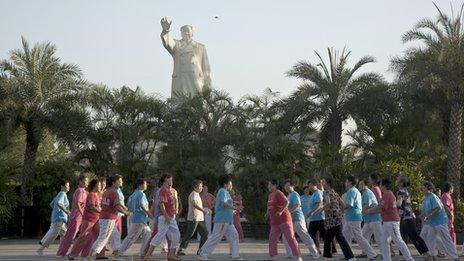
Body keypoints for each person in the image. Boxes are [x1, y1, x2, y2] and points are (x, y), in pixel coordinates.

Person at [367, 177, 414, 261]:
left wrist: (369, 211)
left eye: (381, 184)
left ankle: (409, 259)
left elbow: (380, 206)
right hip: (387, 222)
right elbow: (382, 208)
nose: (380, 186)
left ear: (384, 186)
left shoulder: (388, 194)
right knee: (383, 241)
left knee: (398, 240)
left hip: (392, 222)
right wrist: (371, 211)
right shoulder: (387, 194)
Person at [198, 175, 242, 260]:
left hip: (228, 220)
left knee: (234, 235)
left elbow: (228, 203)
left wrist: (235, 206)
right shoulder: (222, 191)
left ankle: (235, 255)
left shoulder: (226, 192)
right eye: (230, 183)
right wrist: (235, 208)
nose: (231, 185)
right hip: (222, 219)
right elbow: (223, 204)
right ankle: (203, 253)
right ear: (226, 184)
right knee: (216, 237)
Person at [89, 175, 132, 258]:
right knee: (103, 238)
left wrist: (124, 208)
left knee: (115, 236)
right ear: (113, 183)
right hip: (108, 218)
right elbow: (116, 206)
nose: (121, 182)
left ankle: (117, 255)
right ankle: (89, 257)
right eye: (119, 181)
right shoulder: (114, 192)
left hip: (105, 217)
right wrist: (126, 213)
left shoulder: (106, 191)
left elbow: (115, 204)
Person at [145, 174, 181, 261]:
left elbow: (173, 202)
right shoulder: (163, 190)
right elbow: (161, 204)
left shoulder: (169, 190)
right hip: (165, 217)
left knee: (174, 235)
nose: (172, 181)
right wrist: (166, 216)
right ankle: (148, 255)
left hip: (169, 216)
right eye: (170, 179)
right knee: (161, 235)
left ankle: (171, 255)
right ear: (165, 180)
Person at [420, 181, 459, 260]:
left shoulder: (433, 196)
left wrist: (430, 215)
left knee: (446, 238)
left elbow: (439, 208)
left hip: (440, 222)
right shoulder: (425, 198)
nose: (422, 189)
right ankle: (432, 256)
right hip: (431, 223)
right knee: (430, 239)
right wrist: (420, 216)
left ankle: (455, 257)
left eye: (424, 188)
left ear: (429, 189)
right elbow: (424, 212)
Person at [264, 179, 302, 261]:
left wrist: (281, 211)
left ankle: (298, 256)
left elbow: (286, 202)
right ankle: (273, 257)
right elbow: (269, 206)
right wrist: (267, 213)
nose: (268, 186)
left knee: (290, 238)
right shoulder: (270, 195)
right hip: (275, 222)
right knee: (272, 239)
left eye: (270, 185)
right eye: (268, 185)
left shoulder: (278, 193)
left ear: (275, 186)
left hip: (284, 220)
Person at [341, 176, 378, 260]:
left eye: (346, 181)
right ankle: (349, 255)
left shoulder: (351, 191)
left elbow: (349, 204)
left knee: (359, 237)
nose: (345, 183)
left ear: (350, 182)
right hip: (351, 217)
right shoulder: (354, 191)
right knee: (346, 236)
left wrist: (340, 207)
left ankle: (372, 254)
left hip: (353, 218)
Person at [67, 179, 104, 259]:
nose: (100, 187)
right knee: (84, 236)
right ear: (94, 186)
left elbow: (98, 206)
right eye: (99, 185)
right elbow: (91, 207)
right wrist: (102, 211)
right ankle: (72, 254)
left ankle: (96, 254)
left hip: (96, 219)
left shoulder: (97, 195)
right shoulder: (91, 195)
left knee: (100, 236)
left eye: (101, 185)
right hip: (89, 219)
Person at [282, 180, 320, 259]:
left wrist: (289, 212)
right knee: (285, 236)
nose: (285, 187)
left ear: (291, 186)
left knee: (304, 236)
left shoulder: (295, 194)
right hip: (291, 220)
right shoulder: (289, 195)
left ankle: (315, 253)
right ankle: (290, 253)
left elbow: (297, 205)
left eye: (287, 185)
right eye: (285, 186)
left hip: (298, 219)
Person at [395, 175, 431, 258]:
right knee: (406, 236)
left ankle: (426, 252)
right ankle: (406, 254)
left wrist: (390, 204)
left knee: (413, 236)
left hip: (406, 217)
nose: (396, 180)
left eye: (397, 179)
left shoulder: (401, 192)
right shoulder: (405, 191)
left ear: (401, 182)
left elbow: (399, 204)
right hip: (407, 217)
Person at [320, 177, 354, 260]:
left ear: (327, 183)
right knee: (328, 237)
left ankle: (350, 257)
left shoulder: (326, 192)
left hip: (332, 219)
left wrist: (321, 208)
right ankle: (327, 256)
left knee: (339, 237)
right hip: (336, 217)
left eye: (323, 182)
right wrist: (339, 212)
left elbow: (327, 203)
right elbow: (343, 204)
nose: (322, 184)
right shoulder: (334, 192)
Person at [118, 178, 153, 258]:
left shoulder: (133, 195)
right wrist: (150, 215)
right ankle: (120, 252)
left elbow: (128, 206)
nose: (146, 185)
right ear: (140, 185)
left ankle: (143, 253)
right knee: (132, 237)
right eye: (145, 184)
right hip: (139, 219)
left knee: (147, 233)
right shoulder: (141, 194)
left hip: (137, 218)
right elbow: (142, 206)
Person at [56, 175, 89, 257]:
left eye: (87, 181)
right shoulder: (79, 191)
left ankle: (79, 252)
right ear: (80, 181)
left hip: (81, 217)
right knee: (70, 236)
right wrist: (83, 214)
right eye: (85, 180)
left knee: (84, 235)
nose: (87, 182)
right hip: (76, 217)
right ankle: (61, 253)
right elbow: (78, 204)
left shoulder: (84, 191)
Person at [37, 179, 70, 256]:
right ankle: (41, 249)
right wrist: (66, 211)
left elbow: (52, 204)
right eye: (67, 186)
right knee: (54, 234)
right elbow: (59, 204)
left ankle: (62, 251)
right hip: (59, 218)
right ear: (62, 186)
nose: (69, 187)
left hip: (59, 218)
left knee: (64, 234)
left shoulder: (59, 194)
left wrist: (57, 211)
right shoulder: (63, 194)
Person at [178, 179, 209, 255]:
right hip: (193, 218)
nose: (202, 188)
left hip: (200, 218)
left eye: (202, 186)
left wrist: (204, 210)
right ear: (196, 186)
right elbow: (194, 204)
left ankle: (200, 250)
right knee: (189, 234)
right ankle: (180, 249)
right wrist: (203, 210)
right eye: (200, 186)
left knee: (205, 234)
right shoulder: (194, 194)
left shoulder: (197, 194)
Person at [358, 180, 387, 258]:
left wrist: (359, 212)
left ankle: (386, 255)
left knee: (379, 239)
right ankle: (371, 254)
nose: (359, 186)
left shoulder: (367, 193)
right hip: (368, 220)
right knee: (362, 237)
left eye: (360, 184)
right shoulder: (364, 193)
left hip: (374, 219)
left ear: (365, 185)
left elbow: (367, 205)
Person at [306, 179, 325, 253]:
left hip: (319, 219)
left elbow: (319, 204)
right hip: (313, 219)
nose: (309, 187)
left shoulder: (318, 193)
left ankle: (329, 250)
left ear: (315, 185)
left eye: (310, 185)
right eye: (308, 186)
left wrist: (311, 212)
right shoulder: (313, 194)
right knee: (311, 235)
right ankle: (317, 250)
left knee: (324, 236)